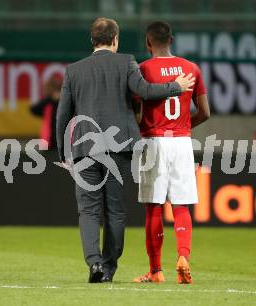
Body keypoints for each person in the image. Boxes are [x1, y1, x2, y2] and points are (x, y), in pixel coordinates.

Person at [56, 17, 195, 283]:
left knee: (88, 211)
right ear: (115, 39)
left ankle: (94, 264)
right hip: (119, 148)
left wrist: (63, 152)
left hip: (85, 149)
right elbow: (144, 91)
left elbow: (63, 115)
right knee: (116, 211)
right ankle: (108, 268)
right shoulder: (126, 62)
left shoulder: (73, 71)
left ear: (92, 41)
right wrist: (175, 87)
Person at [132, 21, 210, 284]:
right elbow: (205, 112)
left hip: (153, 140)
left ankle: (156, 271)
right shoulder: (192, 68)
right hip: (182, 142)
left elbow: (135, 110)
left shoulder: (143, 69)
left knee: (154, 207)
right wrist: (185, 127)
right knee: (181, 204)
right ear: (172, 39)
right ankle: (184, 257)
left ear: (148, 42)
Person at [30, 76, 62, 150]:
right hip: (49, 142)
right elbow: (33, 110)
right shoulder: (48, 103)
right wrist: (50, 98)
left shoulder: (65, 102)